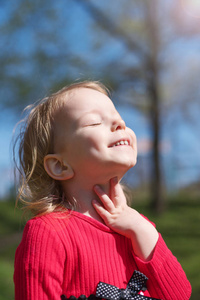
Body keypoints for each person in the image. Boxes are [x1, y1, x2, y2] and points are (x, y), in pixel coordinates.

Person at [13, 81, 191, 300]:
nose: (119, 123)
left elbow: (179, 295)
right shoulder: (48, 233)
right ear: (60, 166)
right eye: (94, 122)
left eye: (118, 117)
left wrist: (141, 229)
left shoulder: (137, 229)